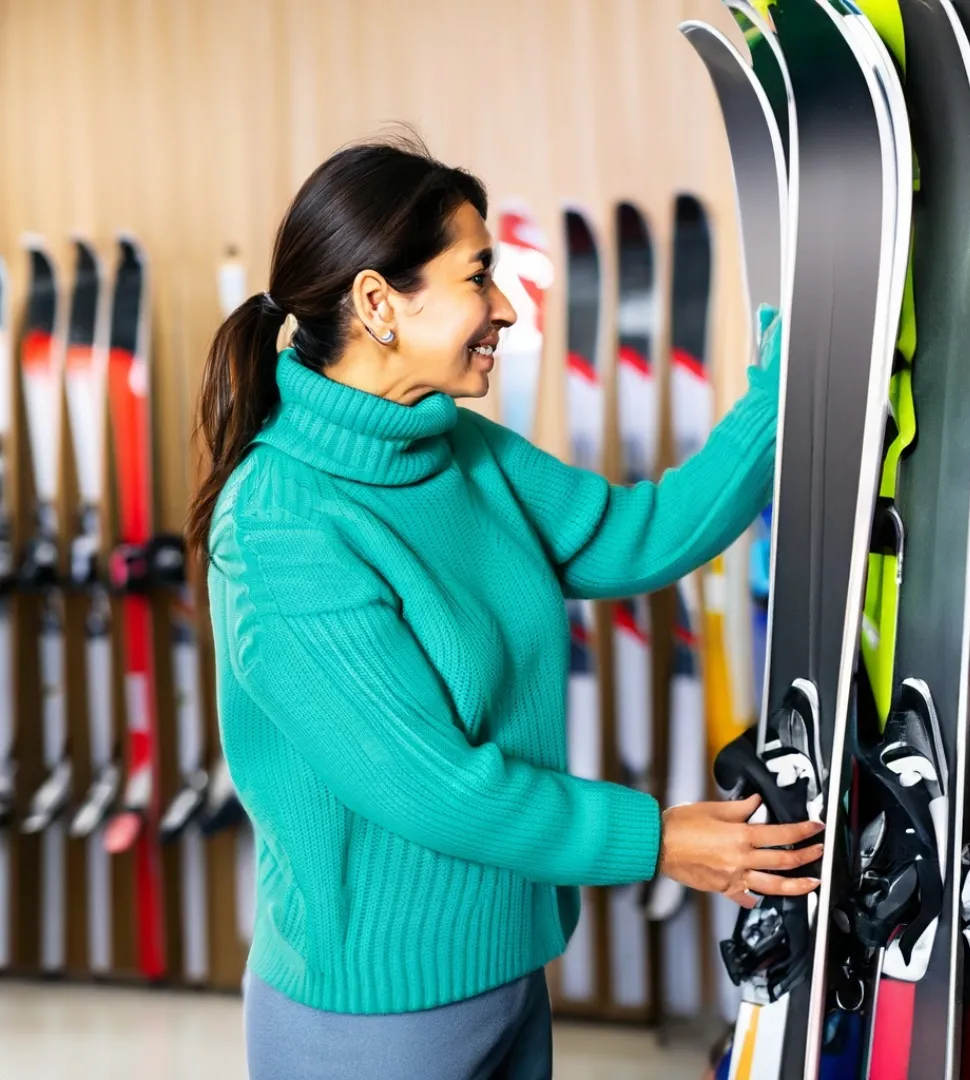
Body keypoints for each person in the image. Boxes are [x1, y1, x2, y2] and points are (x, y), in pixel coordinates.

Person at [187, 135, 823, 1080]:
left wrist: (784, 392)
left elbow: (642, 534)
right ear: (376, 304)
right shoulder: (282, 527)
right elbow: (430, 784)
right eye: (479, 276)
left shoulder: (461, 451)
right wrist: (658, 838)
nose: (508, 308)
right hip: (370, 1023)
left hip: (509, 973)